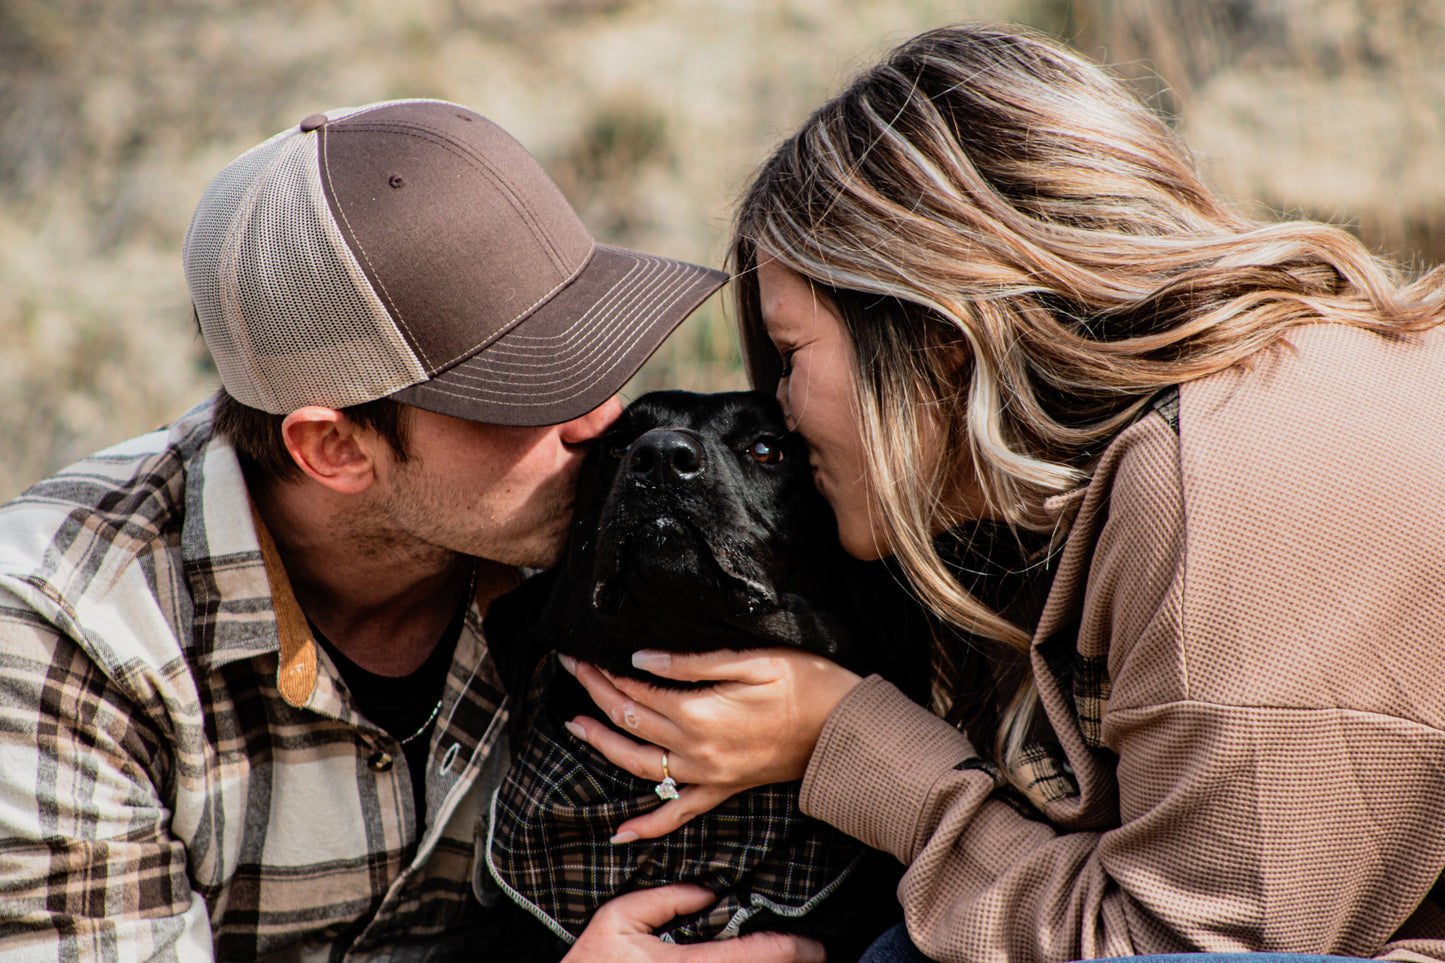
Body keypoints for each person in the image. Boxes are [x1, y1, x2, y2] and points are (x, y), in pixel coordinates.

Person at [560, 23, 1445, 963]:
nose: (779, 405)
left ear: (941, 339)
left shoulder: (1228, 479)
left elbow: (1180, 955)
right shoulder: (1203, 426)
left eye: (788, 356)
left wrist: (846, 741)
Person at [0, 99, 822, 963]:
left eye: (591, 351)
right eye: (530, 391)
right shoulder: (61, 640)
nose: (601, 419)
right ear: (334, 446)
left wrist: (831, 735)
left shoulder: (569, 519)